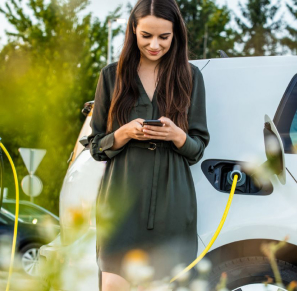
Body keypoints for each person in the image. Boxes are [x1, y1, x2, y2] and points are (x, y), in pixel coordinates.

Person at [88, 0, 210, 290]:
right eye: (146, 36)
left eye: (163, 37)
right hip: (122, 198)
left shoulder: (191, 76)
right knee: (113, 283)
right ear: (133, 30)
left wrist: (176, 135)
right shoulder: (111, 75)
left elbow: (198, 147)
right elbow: (95, 146)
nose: (155, 44)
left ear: (175, 35)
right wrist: (126, 132)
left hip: (172, 201)